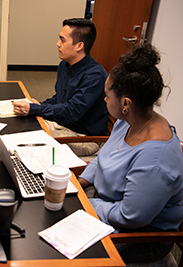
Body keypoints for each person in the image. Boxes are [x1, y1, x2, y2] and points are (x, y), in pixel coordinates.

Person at [78, 44, 183, 263]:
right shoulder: (128, 122)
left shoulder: (156, 159)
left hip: (141, 234)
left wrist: (84, 204)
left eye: (106, 95)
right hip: (107, 203)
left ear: (126, 103)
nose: (104, 100)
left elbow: (130, 216)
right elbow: (104, 156)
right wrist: (81, 181)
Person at [12, 18, 108, 156]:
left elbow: (72, 111)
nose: (57, 44)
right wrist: (40, 104)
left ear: (79, 45)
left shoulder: (95, 76)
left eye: (62, 40)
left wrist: (37, 109)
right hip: (64, 125)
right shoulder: (65, 65)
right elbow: (60, 97)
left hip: (84, 138)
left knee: (25, 139)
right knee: (21, 124)